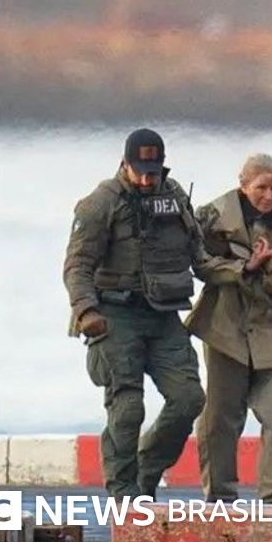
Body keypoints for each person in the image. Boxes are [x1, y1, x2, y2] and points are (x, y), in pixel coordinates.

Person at [63, 128, 207, 499]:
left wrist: (240, 269)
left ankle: (147, 470)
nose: (147, 180)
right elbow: (77, 265)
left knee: (189, 398)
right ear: (125, 164)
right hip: (115, 315)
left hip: (163, 314)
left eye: (153, 172)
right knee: (127, 409)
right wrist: (86, 310)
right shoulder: (101, 203)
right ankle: (124, 494)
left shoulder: (173, 197)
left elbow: (198, 252)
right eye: (140, 171)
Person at [185, 153, 272, 504]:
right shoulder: (214, 215)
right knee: (219, 417)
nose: (269, 195)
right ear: (243, 184)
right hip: (227, 329)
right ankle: (220, 495)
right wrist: (244, 267)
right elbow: (197, 262)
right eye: (261, 187)